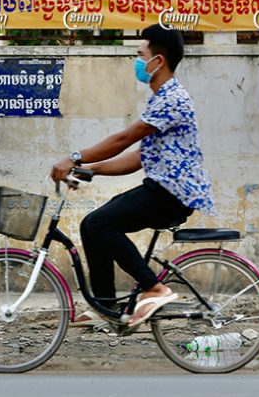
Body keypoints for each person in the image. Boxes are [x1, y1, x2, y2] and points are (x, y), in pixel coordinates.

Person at [50, 24, 215, 331]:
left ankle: (154, 288)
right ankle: (105, 306)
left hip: (170, 194)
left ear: (159, 61)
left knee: (100, 224)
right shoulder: (160, 98)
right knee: (92, 224)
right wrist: (91, 170)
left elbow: (124, 138)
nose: (137, 61)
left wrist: (74, 157)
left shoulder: (172, 99)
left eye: (140, 54)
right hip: (161, 190)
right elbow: (138, 158)